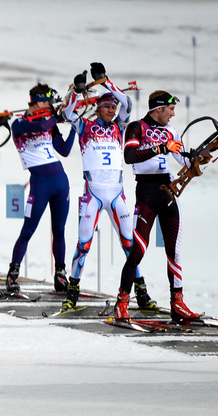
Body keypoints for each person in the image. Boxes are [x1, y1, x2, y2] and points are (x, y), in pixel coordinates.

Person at [113, 91, 218, 322]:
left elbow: (187, 161)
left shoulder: (170, 131)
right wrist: (161, 148)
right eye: (171, 109)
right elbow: (129, 155)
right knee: (138, 249)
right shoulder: (137, 127)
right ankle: (122, 302)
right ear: (158, 109)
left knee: (174, 250)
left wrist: (212, 148)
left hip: (167, 191)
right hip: (146, 193)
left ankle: (177, 303)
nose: (173, 114)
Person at [61, 62, 154, 310]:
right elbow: (67, 114)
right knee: (84, 244)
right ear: (98, 108)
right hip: (92, 194)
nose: (112, 111)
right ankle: (72, 291)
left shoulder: (119, 128)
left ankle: (142, 292)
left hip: (116, 194)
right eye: (107, 107)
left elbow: (129, 105)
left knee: (129, 244)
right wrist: (76, 90)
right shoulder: (85, 126)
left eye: (114, 107)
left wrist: (104, 80)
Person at [5, 84, 75, 293]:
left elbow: (63, 150)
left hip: (60, 181)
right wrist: (59, 116)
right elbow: (39, 128)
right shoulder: (19, 124)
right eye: (48, 103)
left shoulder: (49, 123)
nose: (50, 107)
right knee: (28, 229)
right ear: (38, 102)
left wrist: (74, 128)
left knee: (59, 230)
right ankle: (13, 274)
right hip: (40, 184)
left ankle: (60, 274)